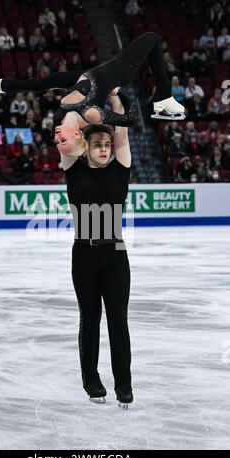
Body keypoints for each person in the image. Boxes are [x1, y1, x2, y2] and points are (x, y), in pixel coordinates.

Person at [0, 32, 185, 157]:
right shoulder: (91, 115)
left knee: (45, 82)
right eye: (63, 141)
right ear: (77, 134)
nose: (57, 138)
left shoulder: (60, 119)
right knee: (152, 39)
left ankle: (4, 85)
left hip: (87, 77)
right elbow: (128, 119)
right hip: (116, 72)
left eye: (57, 142)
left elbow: (50, 85)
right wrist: (117, 96)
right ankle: (163, 97)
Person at [60, 90, 133, 409]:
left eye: (107, 144)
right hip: (84, 256)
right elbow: (69, 123)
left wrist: (114, 100)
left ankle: (124, 385)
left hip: (115, 256)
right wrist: (89, 102)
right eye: (97, 144)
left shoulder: (121, 169)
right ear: (86, 146)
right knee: (89, 319)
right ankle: (91, 380)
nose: (104, 148)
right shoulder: (73, 167)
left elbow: (123, 133)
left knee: (118, 319)